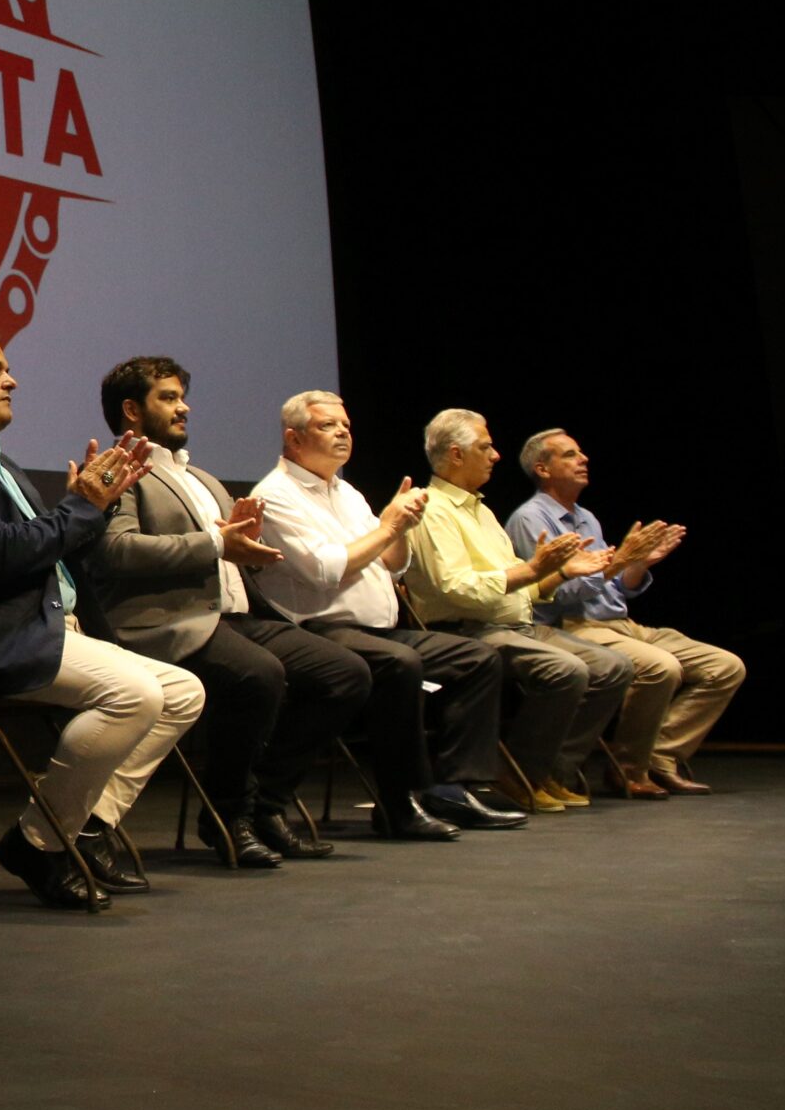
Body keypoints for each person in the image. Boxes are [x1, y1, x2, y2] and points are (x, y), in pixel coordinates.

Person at [0, 331, 203, 909]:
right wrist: (83, 506)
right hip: (2, 637)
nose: (11, 381)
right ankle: (41, 843)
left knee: (183, 691)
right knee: (135, 695)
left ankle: (78, 829)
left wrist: (87, 511)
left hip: (46, 622)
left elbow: (40, 550)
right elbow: (1, 556)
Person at [82, 358, 370, 865]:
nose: (183, 406)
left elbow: (229, 551)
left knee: (344, 673)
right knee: (258, 676)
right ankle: (228, 816)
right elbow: (116, 551)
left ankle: (266, 804)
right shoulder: (116, 469)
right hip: (168, 622)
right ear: (131, 410)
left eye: (181, 397)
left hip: (234, 616)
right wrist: (215, 542)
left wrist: (249, 553)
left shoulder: (203, 478)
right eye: (167, 398)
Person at [247, 390, 520, 837]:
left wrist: (403, 528)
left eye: (346, 426)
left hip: (377, 631)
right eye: (327, 425)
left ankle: (451, 789)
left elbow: (392, 562)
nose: (342, 433)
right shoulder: (276, 495)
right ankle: (400, 803)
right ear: (293, 439)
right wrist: (389, 525)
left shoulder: (348, 493)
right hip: (320, 631)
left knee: (478, 659)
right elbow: (325, 569)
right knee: (400, 665)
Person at [402, 409, 634, 812]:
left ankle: (550, 770)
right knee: (567, 670)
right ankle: (519, 774)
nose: (495, 456)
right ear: (456, 455)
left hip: (514, 624)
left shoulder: (482, 511)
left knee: (616, 667)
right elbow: (456, 589)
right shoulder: (433, 510)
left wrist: (557, 575)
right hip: (467, 631)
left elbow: (522, 590)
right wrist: (531, 570)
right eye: (485, 447)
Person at [505, 429, 743, 795]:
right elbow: (553, 594)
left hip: (622, 623)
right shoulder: (529, 519)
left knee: (724, 667)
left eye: (581, 453)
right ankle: (629, 771)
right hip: (576, 626)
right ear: (543, 468)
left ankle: (659, 757)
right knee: (660, 667)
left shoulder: (587, 518)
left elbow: (613, 588)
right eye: (569, 454)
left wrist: (637, 565)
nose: (583, 459)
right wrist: (616, 565)